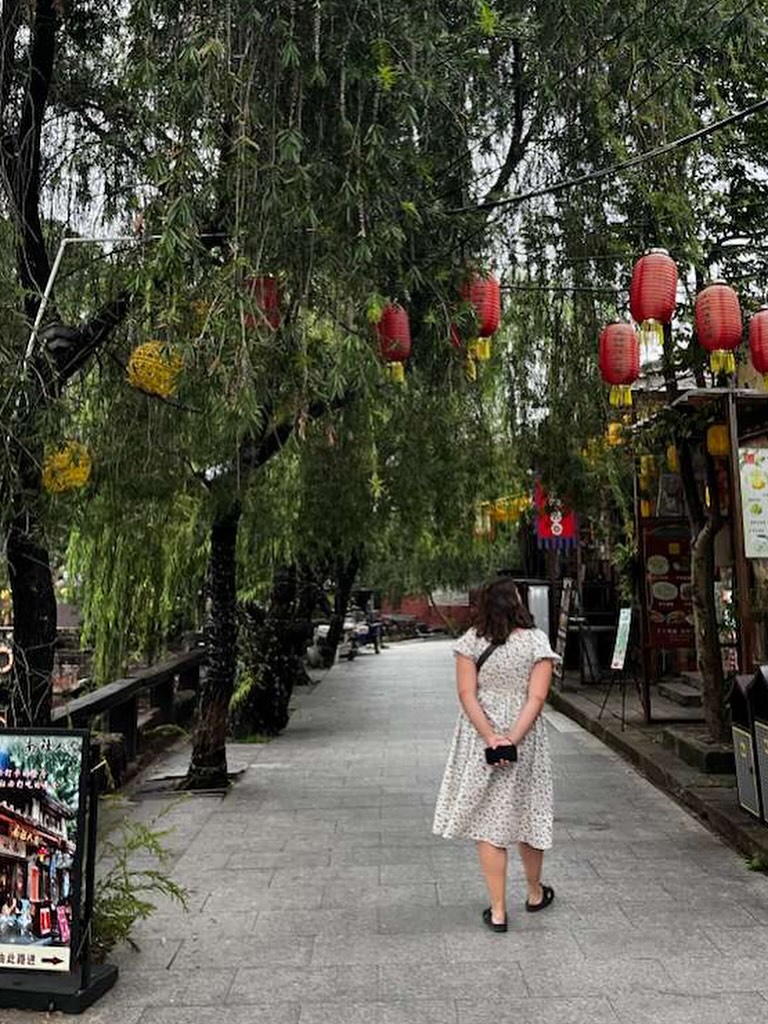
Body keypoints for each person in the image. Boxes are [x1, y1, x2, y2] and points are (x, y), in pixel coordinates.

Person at [432, 576, 560, 932]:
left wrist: (492, 737)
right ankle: (535, 893)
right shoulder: (537, 642)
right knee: (528, 812)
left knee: (490, 821)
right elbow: (537, 697)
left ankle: (499, 910)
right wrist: (512, 740)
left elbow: (466, 694)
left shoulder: (470, 642)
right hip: (526, 737)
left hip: (479, 738)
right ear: (517, 603)